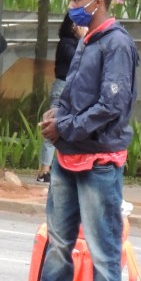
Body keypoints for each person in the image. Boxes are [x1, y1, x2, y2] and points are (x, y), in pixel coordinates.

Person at [35, 0, 140, 281]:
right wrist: (56, 114)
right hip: (68, 155)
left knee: (102, 246)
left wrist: (65, 127)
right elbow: (73, 94)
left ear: (99, 2)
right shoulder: (86, 41)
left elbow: (111, 107)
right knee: (60, 241)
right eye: (70, 0)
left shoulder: (117, 45)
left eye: (78, 1)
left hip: (99, 161)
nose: (72, 7)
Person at [36, 14, 85, 183]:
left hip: (74, 87)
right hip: (63, 86)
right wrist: (83, 39)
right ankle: (44, 170)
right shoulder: (66, 43)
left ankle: (61, 168)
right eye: (79, 24)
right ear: (72, 26)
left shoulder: (79, 43)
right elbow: (77, 60)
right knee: (52, 127)